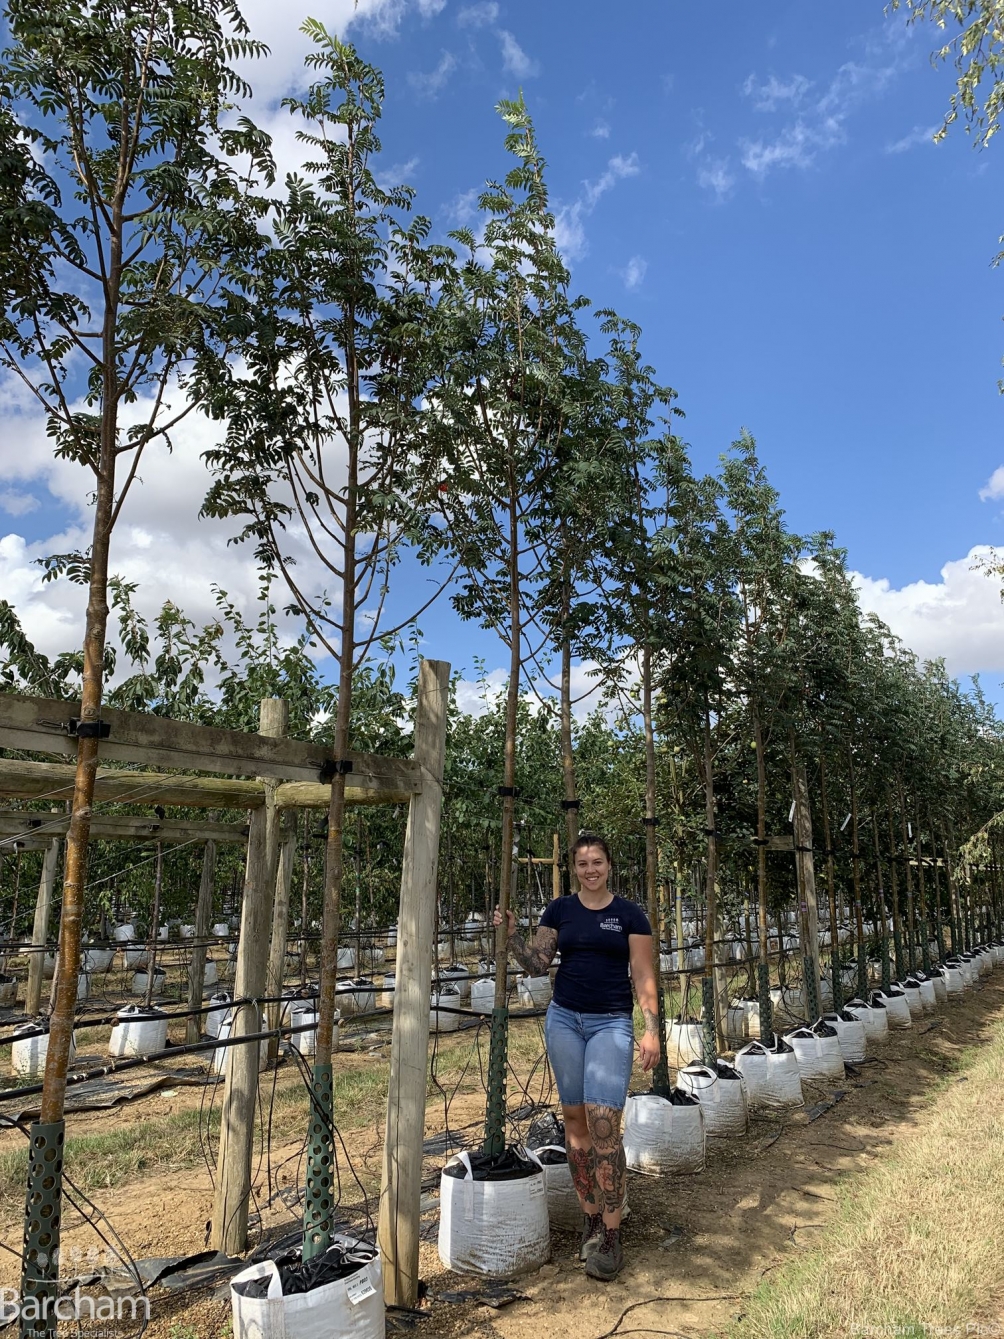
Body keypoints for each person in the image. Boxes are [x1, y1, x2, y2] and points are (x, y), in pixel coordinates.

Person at [493, 832, 660, 1281]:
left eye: (597, 862)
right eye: (583, 863)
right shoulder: (559, 910)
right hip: (565, 1020)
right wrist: (512, 935)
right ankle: (591, 1218)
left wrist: (651, 1030)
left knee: (604, 1122)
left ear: (609, 866)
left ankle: (612, 1232)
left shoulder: (629, 915)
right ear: (574, 869)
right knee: (575, 1122)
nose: (590, 870)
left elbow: (643, 973)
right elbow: (537, 964)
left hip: (611, 1023)